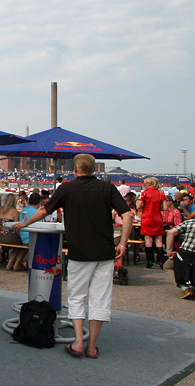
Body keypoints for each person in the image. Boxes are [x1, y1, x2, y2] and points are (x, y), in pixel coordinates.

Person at [13, 153, 132, 360]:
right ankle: (92, 346)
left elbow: (44, 210)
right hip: (104, 251)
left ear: (75, 170)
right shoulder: (107, 188)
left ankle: (78, 342)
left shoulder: (67, 189)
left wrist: (25, 223)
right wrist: (122, 243)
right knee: (100, 298)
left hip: (79, 251)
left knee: (77, 296)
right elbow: (128, 214)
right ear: (94, 169)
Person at [136, 177, 165, 268]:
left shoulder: (144, 193)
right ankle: (161, 261)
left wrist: (143, 207)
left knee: (148, 239)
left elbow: (138, 206)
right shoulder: (161, 193)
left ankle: (149, 261)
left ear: (149, 184)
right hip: (158, 217)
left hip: (147, 217)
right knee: (159, 240)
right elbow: (164, 208)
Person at [0, 193, 23, 270]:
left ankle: (6, 256)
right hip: (9, 237)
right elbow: (16, 225)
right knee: (22, 243)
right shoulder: (14, 211)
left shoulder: (1, 209)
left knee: (15, 243)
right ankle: (12, 262)